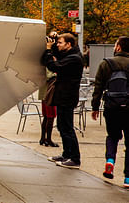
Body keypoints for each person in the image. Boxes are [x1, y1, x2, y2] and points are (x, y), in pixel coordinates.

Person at [41, 33, 84, 169]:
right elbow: (56, 56)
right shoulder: (70, 55)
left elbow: (54, 66)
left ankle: (75, 158)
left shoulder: (74, 58)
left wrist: (48, 50)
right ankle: (66, 155)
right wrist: (53, 42)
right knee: (61, 126)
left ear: (68, 44)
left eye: (60, 43)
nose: (58, 45)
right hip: (63, 96)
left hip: (67, 97)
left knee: (67, 127)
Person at [91, 36, 129, 188]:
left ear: (119, 47)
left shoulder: (106, 64)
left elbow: (98, 87)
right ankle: (127, 178)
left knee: (112, 136)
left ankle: (110, 161)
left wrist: (95, 107)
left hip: (111, 107)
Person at [39, 31, 59, 148]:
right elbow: (50, 73)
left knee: (46, 116)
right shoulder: (49, 57)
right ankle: (48, 139)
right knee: (50, 116)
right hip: (50, 87)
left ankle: (43, 138)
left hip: (44, 88)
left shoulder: (43, 57)